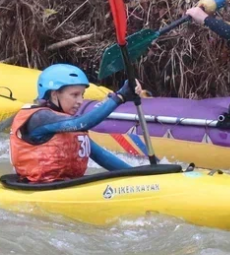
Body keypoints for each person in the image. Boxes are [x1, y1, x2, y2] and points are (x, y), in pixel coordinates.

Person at [9, 64, 142, 183]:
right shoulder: (40, 117)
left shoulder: (68, 123)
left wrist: (140, 175)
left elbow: (102, 157)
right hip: (38, 188)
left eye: (82, 95)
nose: (80, 101)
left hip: (67, 185)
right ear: (54, 94)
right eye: (75, 95)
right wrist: (120, 97)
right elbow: (83, 123)